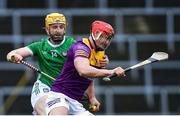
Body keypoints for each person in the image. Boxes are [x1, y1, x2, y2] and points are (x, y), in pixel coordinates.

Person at [6, 13, 108, 115]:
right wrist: (14, 56)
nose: (58, 30)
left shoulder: (75, 46)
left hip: (65, 92)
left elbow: (87, 72)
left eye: (61, 27)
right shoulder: (40, 46)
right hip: (44, 88)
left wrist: (92, 97)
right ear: (47, 29)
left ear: (65, 29)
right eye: (54, 27)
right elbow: (12, 53)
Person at [45, 20, 125, 115]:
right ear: (96, 34)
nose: (107, 42)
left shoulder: (99, 52)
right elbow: (83, 70)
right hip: (59, 95)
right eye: (105, 38)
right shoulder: (81, 47)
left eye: (109, 39)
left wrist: (91, 97)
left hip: (75, 101)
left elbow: (91, 75)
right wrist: (111, 71)